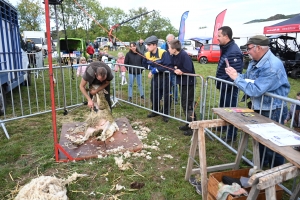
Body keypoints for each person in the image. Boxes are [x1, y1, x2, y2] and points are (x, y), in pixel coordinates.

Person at [225, 35, 290, 167]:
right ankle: (260, 163)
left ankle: (277, 172)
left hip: (273, 109)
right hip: (261, 106)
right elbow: (248, 78)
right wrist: (237, 75)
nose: (247, 51)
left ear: (259, 47)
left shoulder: (272, 66)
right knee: (260, 138)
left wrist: (236, 79)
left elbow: (256, 89)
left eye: (249, 48)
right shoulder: (255, 61)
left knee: (273, 143)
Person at [216, 26, 243, 142]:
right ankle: (223, 126)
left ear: (226, 36)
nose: (217, 38)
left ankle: (231, 135)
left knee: (230, 111)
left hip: (230, 88)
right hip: (224, 86)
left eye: (219, 36)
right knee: (223, 108)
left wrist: (225, 84)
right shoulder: (226, 48)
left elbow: (234, 73)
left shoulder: (234, 52)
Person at [169, 39, 197, 136]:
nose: (168, 49)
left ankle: (193, 127)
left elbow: (188, 69)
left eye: (169, 47)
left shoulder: (184, 55)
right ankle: (189, 123)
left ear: (174, 49)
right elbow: (173, 66)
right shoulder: (174, 55)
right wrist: (175, 69)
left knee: (188, 105)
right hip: (182, 83)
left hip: (189, 83)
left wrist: (181, 71)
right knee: (184, 104)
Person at [142, 35, 173, 122]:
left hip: (165, 77)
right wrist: (151, 69)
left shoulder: (163, 53)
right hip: (156, 78)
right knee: (154, 95)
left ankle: (165, 114)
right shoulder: (147, 54)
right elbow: (144, 64)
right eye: (147, 45)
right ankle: (155, 111)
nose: (147, 47)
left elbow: (166, 66)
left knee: (166, 96)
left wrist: (154, 70)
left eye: (149, 45)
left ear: (155, 45)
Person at [161, 34, 178, 104]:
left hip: (173, 68)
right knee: (165, 84)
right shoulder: (163, 46)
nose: (170, 43)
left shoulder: (176, 46)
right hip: (165, 68)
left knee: (174, 84)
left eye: (171, 41)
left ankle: (175, 99)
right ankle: (166, 97)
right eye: (169, 41)